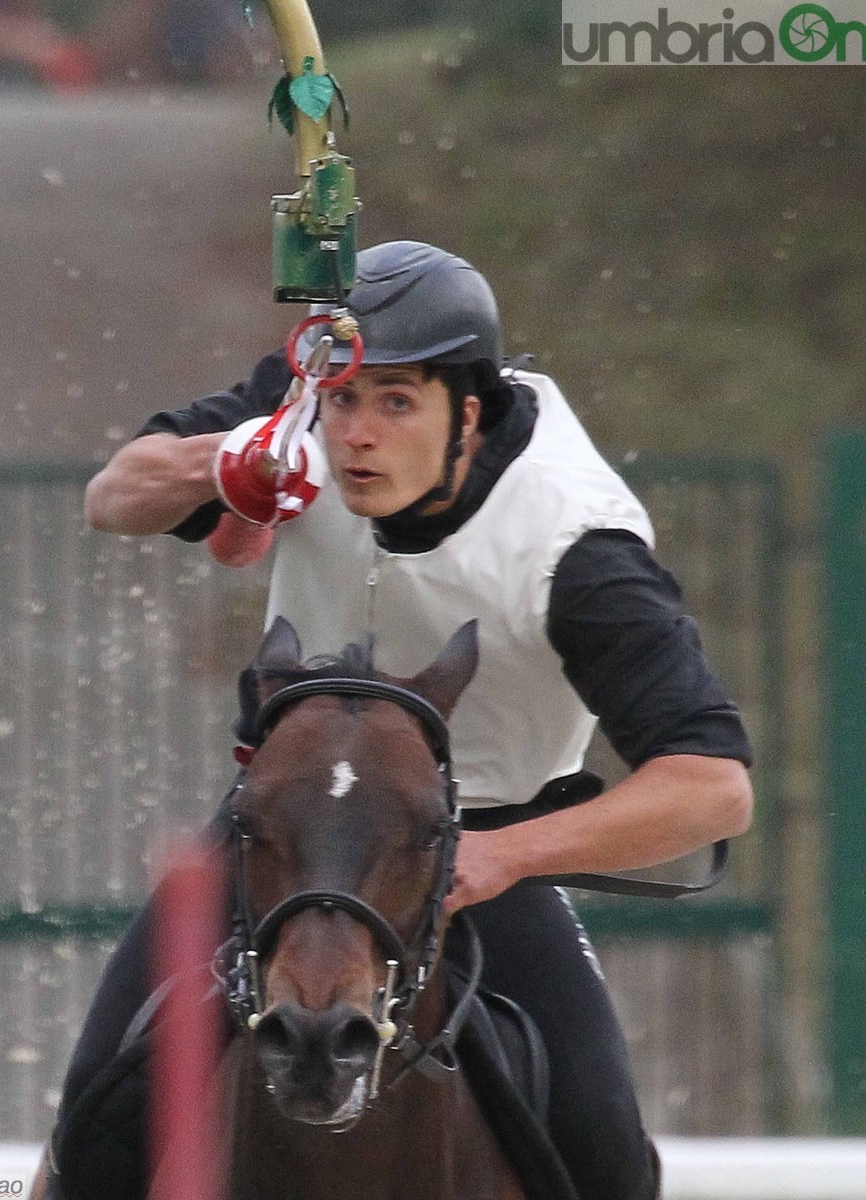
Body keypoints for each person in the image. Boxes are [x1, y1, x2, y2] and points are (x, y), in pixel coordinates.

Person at [44, 241, 753, 1200]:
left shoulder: (579, 554)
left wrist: (509, 858)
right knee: (96, 1118)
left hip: (484, 840)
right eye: (343, 399)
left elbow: (713, 788)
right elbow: (113, 499)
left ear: (469, 412)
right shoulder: (302, 412)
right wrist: (233, 462)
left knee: (608, 1159)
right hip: (286, 826)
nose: (356, 437)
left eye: (396, 403)